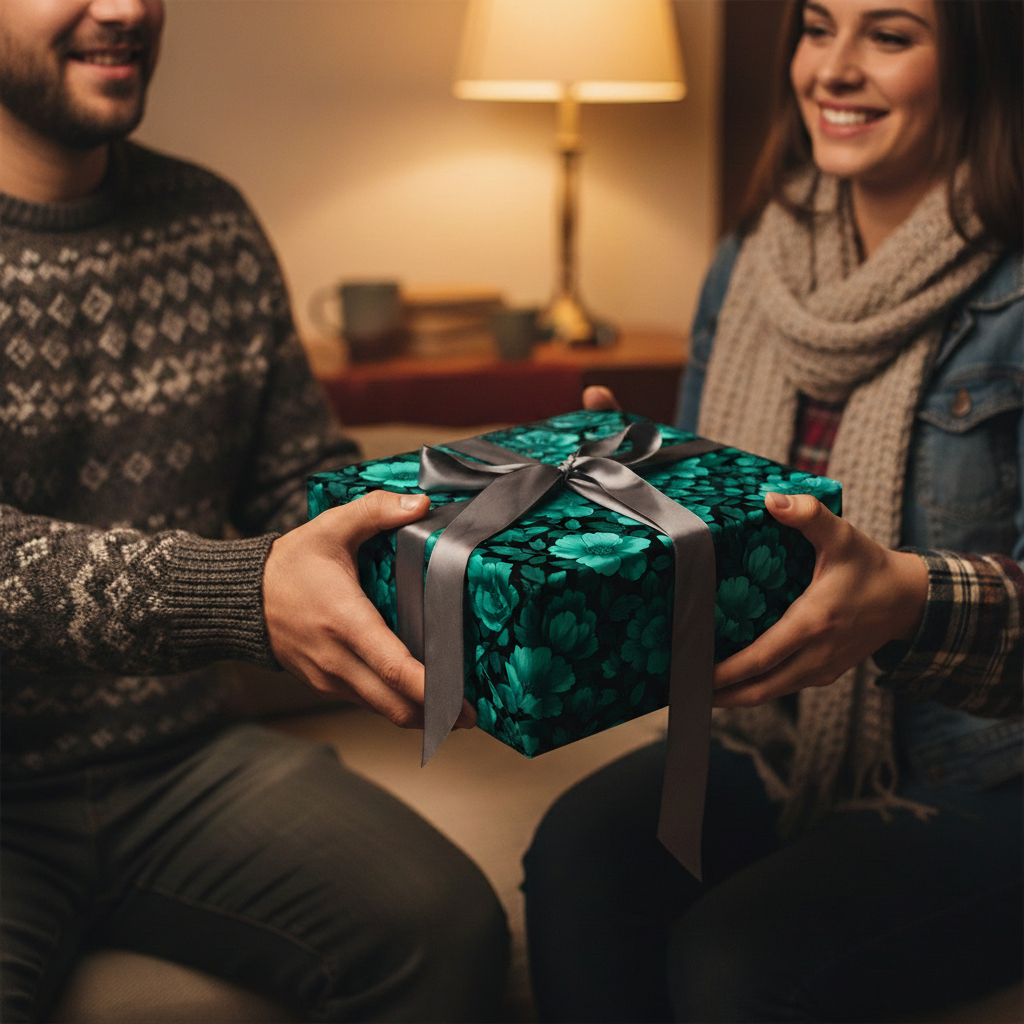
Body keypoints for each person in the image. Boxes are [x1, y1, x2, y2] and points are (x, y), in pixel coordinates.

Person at [0, 1, 508, 1021]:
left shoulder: (212, 223)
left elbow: (298, 489)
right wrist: (237, 588)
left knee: (449, 928)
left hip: (179, 765)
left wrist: (518, 499)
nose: (126, 9)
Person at [524, 1, 1023, 1021]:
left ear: (979, 60)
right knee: (578, 854)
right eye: (815, 26)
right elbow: (728, 539)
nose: (832, 70)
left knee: (734, 958)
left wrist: (906, 601)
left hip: (986, 769)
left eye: (889, 35)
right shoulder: (750, 257)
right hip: (776, 731)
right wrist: (623, 491)